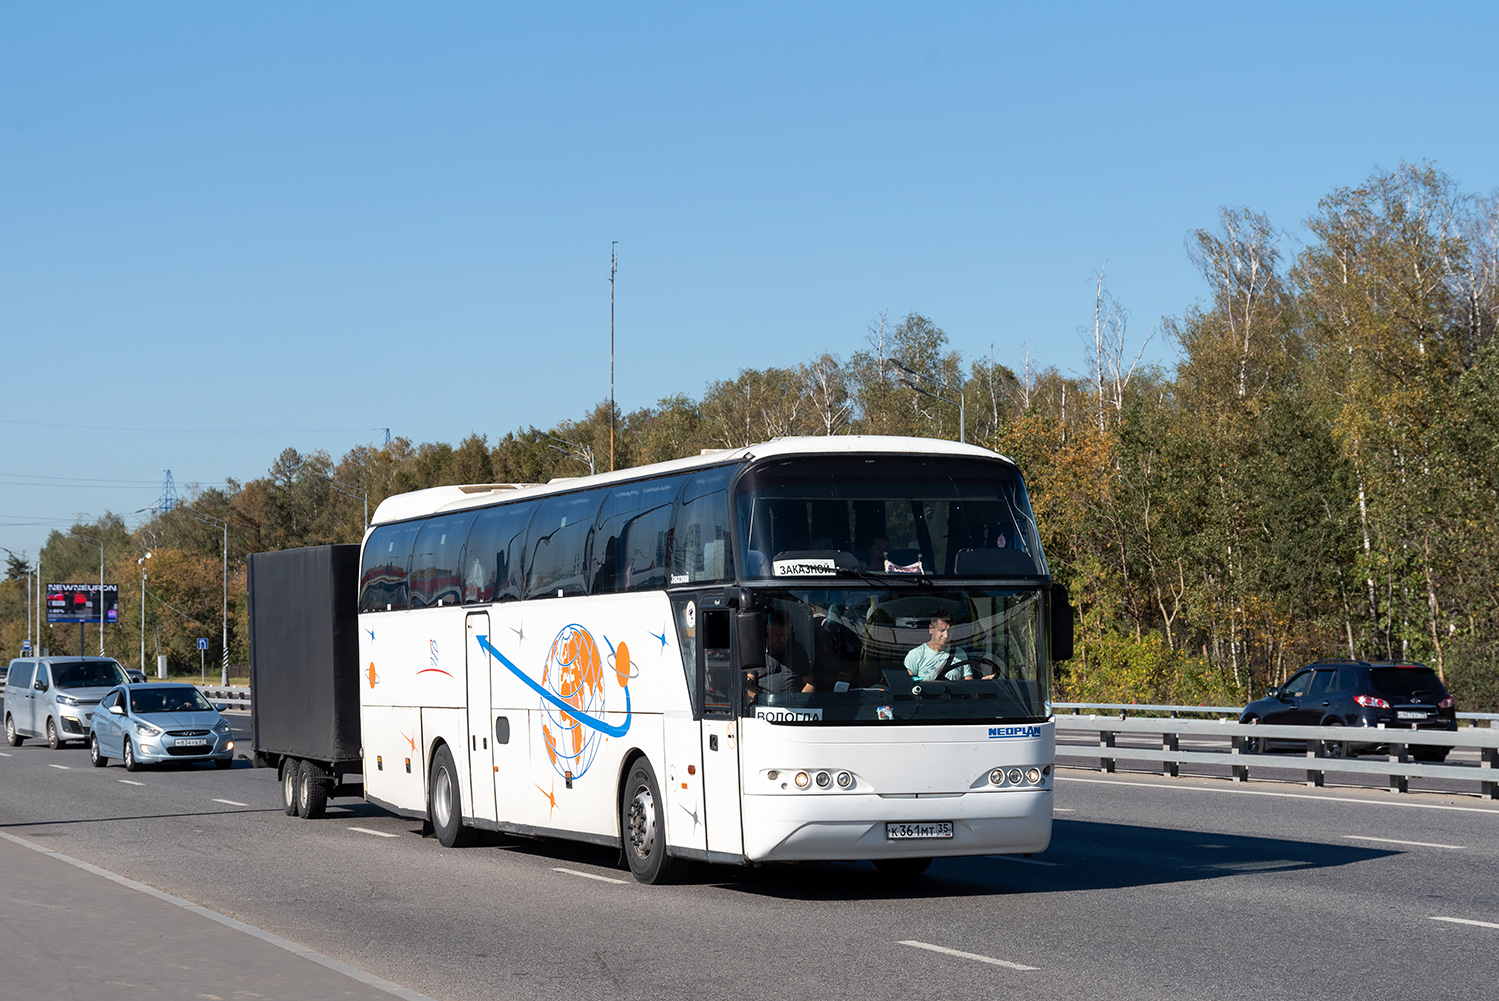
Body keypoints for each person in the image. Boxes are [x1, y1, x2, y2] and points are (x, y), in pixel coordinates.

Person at [753, 610, 813, 694]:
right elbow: (749, 686)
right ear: (767, 629)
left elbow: (809, 684)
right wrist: (760, 699)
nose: (783, 639)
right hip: (764, 704)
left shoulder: (798, 650)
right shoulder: (757, 651)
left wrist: (800, 702)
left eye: (786, 635)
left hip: (793, 703)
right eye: (778, 635)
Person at [904, 612, 972, 681]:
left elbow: (968, 684)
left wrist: (981, 682)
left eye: (949, 631)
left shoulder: (959, 653)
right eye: (941, 630)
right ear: (931, 629)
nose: (946, 635)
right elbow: (908, 685)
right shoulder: (915, 655)